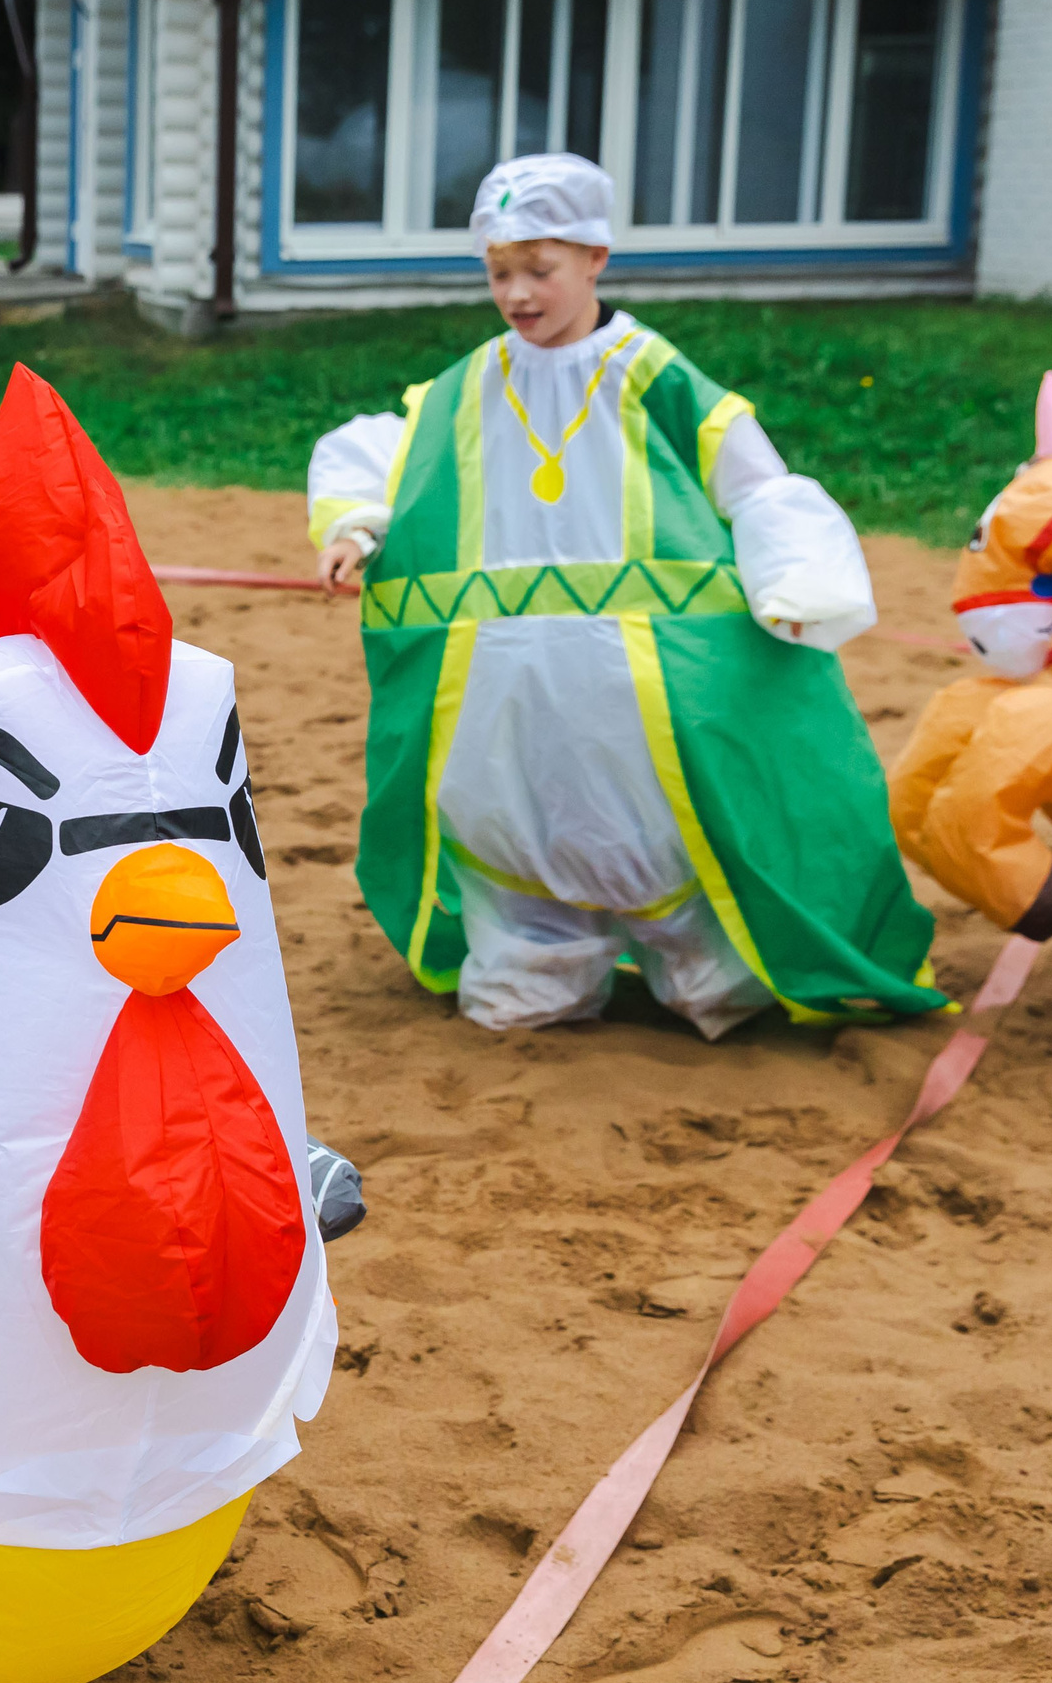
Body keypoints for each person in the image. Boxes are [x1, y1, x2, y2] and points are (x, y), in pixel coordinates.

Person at [306, 151, 942, 1037]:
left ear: (596, 260)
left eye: (541, 271)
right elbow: (386, 452)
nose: (518, 294)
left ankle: (703, 968)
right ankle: (538, 964)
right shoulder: (467, 387)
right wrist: (355, 528)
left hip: (647, 690)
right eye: (499, 273)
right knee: (519, 815)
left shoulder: (654, 376)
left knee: (659, 823)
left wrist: (795, 581)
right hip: (511, 693)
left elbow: (752, 480)